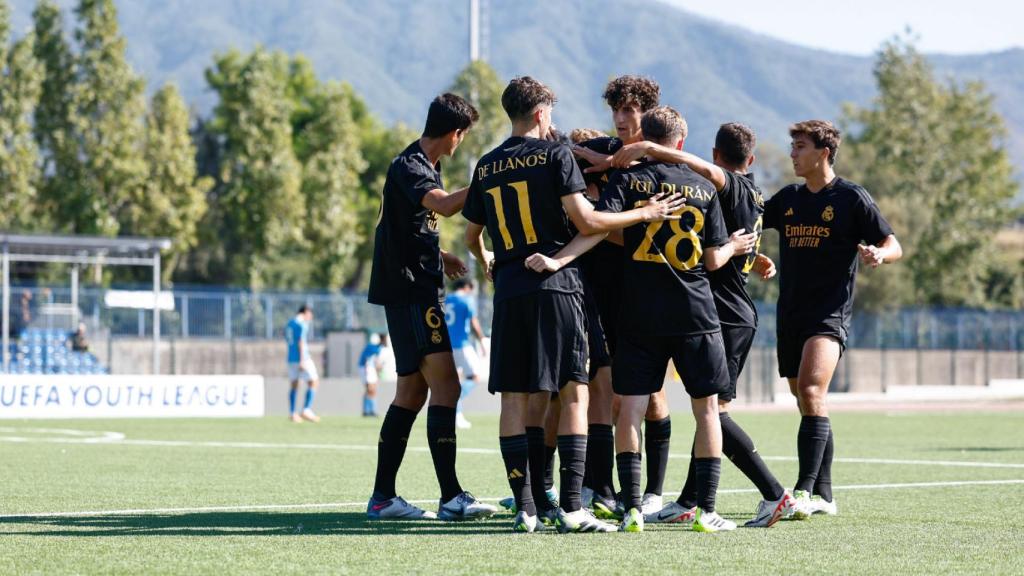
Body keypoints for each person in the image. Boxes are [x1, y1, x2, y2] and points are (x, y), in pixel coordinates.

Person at [464, 76, 684, 533]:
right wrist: (646, 213)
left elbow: (471, 236)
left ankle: (526, 507)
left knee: (515, 397)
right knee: (574, 393)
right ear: (543, 113)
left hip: (508, 290)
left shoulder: (484, 165)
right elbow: (587, 220)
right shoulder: (554, 154)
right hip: (557, 285)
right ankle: (571, 507)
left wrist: (487, 259)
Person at [529, 106, 757, 533]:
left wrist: (558, 260)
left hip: (640, 314)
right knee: (707, 411)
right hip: (696, 313)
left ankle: (632, 507)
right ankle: (705, 510)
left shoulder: (627, 181)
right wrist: (738, 249)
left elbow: (595, 227)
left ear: (643, 137)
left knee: (630, 408)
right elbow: (710, 258)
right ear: (682, 143)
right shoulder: (703, 187)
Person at [610, 122, 795, 527]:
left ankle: (773, 493)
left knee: (715, 412)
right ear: (752, 159)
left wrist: (649, 151)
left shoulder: (720, 183)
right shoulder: (751, 193)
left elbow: (714, 252)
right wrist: (752, 256)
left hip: (721, 312)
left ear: (713, 155)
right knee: (709, 410)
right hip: (720, 307)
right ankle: (693, 501)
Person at [366, 93, 496, 522]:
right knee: (449, 388)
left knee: (412, 392)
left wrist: (441, 257)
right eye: (464, 136)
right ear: (455, 133)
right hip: (412, 294)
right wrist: (487, 181)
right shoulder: (410, 166)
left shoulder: (427, 166)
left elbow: (407, 228)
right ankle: (451, 496)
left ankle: (383, 497)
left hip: (414, 288)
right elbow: (441, 205)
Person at [763, 120, 902, 518]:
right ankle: (825, 492)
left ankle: (803, 491)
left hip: (829, 313)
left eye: (800, 146)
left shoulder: (851, 198)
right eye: (792, 146)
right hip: (790, 313)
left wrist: (880, 255)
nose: (793, 153)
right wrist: (752, 252)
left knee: (810, 390)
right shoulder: (787, 198)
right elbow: (751, 224)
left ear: (824, 152)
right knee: (808, 401)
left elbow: (893, 244)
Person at [574, 76, 673, 518]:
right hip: (595, 285)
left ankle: (654, 490)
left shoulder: (662, 161)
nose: (620, 117)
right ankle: (599, 487)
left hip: (647, 290)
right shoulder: (597, 147)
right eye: (615, 108)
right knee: (599, 386)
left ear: (648, 112)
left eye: (629, 109)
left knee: (648, 393)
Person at [444, 279, 486, 429]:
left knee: (453, 380)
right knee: (475, 377)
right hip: (462, 345)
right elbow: (474, 322)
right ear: (467, 287)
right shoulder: (466, 300)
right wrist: (482, 341)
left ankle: (456, 414)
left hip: (446, 345)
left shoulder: (446, 299)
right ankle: (456, 401)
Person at [285, 305, 320, 423]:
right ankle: (306, 410)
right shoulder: (301, 325)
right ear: (305, 312)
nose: (310, 317)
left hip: (290, 358)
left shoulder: (289, 323)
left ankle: (292, 413)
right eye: (310, 314)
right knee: (314, 381)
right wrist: (302, 360)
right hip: (302, 358)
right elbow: (300, 342)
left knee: (294, 384)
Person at [358, 333, 383, 417]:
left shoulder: (375, 347)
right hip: (368, 369)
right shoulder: (372, 347)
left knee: (371, 389)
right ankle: (370, 410)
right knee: (370, 389)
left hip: (369, 369)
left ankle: (367, 410)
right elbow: (368, 361)